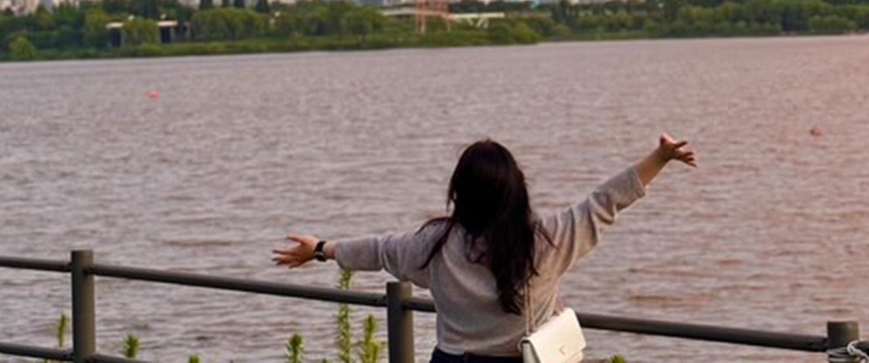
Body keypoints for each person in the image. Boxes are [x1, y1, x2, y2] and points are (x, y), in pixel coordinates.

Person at [272, 134, 697, 363]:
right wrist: (658, 158)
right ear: (517, 190)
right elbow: (604, 203)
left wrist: (322, 249)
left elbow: (380, 250)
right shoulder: (544, 242)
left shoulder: (433, 245)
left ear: (458, 192)